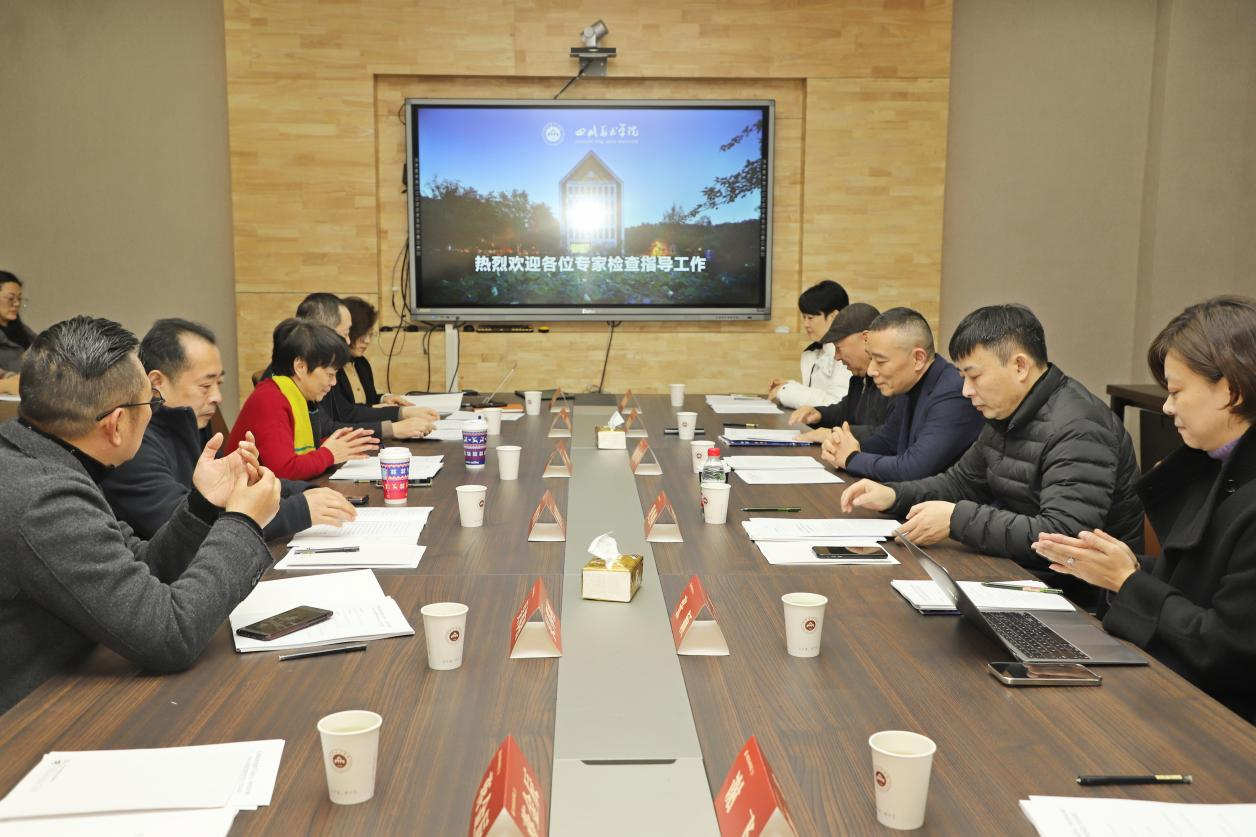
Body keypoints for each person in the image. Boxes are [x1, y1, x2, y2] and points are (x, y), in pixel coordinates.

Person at [0, 315, 279, 714]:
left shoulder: (42, 457)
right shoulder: (45, 499)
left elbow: (140, 569)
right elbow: (169, 634)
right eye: (152, 402)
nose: (153, 412)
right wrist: (243, 522)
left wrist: (203, 505)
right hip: (30, 722)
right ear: (116, 424)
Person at [1033, 295, 1256, 722]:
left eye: (1176, 391)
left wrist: (1128, 580)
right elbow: (1199, 579)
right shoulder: (1216, 467)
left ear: (1232, 391)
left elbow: (1228, 648)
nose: (1167, 407)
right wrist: (1116, 566)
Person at [841, 305, 1143, 603]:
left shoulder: (1080, 427)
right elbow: (959, 482)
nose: (966, 391)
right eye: (962, 377)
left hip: (1075, 597)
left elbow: (1062, 536)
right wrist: (893, 495)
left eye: (974, 376)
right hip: (1016, 571)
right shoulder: (1006, 413)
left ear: (1020, 367)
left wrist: (957, 520)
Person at [103, 318, 358, 539]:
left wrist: (310, 493)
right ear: (157, 382)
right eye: (206, 386)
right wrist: (300, 509)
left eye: (219, 383)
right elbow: (188, 525)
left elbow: (238, 483)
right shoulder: (132, 445)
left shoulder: (190, 423)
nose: (217, 397)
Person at [820, 307, 982, 481]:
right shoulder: (910, 385)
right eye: (871, 358)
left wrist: (852, 458)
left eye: (880, 361)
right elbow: (888, 442)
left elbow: (914, 468)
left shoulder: (953, 394)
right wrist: (841, 448)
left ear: (918, 359)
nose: (871, 370)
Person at [228, 318, 379, 480]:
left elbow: (297, 447)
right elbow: (283, 470)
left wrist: (339, 444)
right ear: (300, 367)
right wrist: (329, 454)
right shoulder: (270, 399)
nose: (334, 382)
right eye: (330, 374)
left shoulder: (298, 395)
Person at [283, 293, 435, 439]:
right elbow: (332, 425)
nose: (348, 341)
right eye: (345, 333)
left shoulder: (341, 365)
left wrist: (391, 409)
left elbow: (332, 422)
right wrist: (394, 425)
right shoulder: (291, 381)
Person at [789, 302, 892, 444]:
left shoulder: (894, 380)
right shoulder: (858, 379)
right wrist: (820, 414)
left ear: (866, 338)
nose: (836, 357)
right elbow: (846, 411)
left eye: (838, 348)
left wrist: (833, 434)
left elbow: (888, 434)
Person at [769, 280, 852, 409]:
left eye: (810, 318)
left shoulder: (848, 354)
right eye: (804, 317)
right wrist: (788, 385)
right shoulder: (813, 352)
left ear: (834, 316)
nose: (806, 324)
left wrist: (784, 391)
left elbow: (835, 403)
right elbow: (817, 394)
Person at [339, 296, 408, 408]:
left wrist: (383, 399)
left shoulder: (362, 363)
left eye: (370, 334)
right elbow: (345, 412)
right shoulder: (332, 369)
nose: (367, 340)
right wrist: (377, 410)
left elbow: (369, 400)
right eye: (362, 334)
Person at [0, 271, 35, 395]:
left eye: (19, 298)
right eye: (11, 298)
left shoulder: (23, 330)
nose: (17, 304)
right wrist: (9, 381)